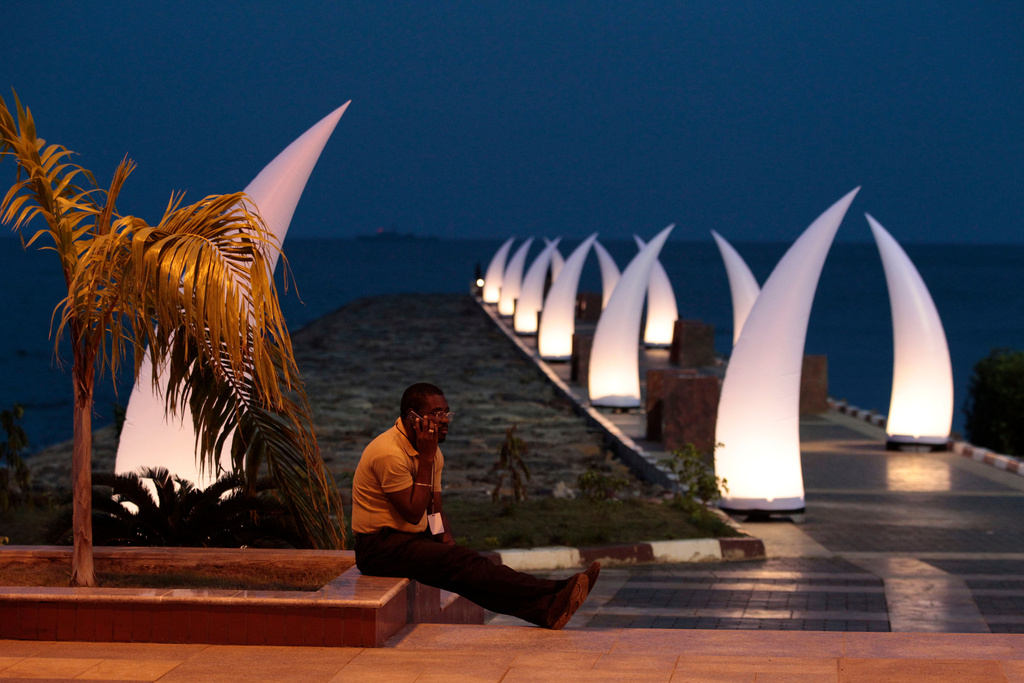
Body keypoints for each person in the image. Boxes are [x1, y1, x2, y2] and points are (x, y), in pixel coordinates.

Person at [352, 382, 599, 629]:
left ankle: (544, 611)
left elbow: (433, 509)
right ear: (412, 418)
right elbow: (413, 511)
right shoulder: (389, 453)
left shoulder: (432, 453)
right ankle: (556, 587)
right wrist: (426, 458)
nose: (445, 420)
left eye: (446, 412)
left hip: (408, 541)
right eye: (437, 414)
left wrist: (446, 542)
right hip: (378, 548)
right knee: (465, 565)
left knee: (467, 574)